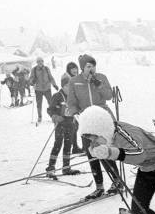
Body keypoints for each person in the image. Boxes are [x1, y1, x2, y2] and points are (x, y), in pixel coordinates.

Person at [67, 54, 122, 199]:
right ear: (82, 68)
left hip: (102, 118)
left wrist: (99, 85)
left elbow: (109, 96)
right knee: (91, 153)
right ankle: (99, 187)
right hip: (86, 119)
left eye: (94, 66)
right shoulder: (74, 81)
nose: (92, 69)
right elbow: (71, 102)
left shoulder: (101, 77)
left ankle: (117, 182)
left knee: (103, 150)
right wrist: (74, 112)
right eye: (89, 67)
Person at [45, 85, 81, 178]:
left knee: (68, 144)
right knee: (58, 144)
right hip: (60, 123)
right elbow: (50, 110)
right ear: (63, 86)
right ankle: (51, 168)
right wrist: (55, 117)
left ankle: (66, 167)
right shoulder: (57, 95)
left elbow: (77, 108)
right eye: (67, 86)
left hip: (70, 123)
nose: (69, 88)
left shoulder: (73, 96)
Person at [60, 62, 83, 154]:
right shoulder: (66, 78)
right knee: (74, 127)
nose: (74, 70)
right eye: (72, 68)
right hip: (70, 105)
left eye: (75, 68)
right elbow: (66, 91)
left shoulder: (77, 77)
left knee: (77, 126)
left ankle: (76, 147)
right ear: (68, 69)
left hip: (77, 104)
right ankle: (74, 147)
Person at [29, 57, 59, 123]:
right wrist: (32, 82)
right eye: (39, 61)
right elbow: (31, 78)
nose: (40, 63)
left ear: (43, 62)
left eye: (41, 61)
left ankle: (53, 116)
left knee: (51, 103)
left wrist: (54, 85)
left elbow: (51, 77)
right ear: (37, 62)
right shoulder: (34, 70)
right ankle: (39, 117)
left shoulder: (46, 68)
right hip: (38, 89)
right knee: (39, 104)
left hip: (47, 89)